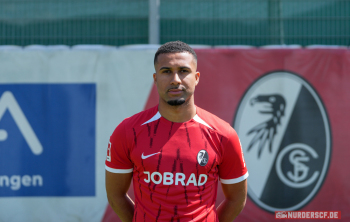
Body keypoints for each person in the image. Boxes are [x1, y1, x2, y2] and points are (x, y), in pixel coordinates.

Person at [105, 41, 248, 222]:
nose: (175, 79)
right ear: (155, 78)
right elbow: (115, 194)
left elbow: (236, 198)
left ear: (196, 77)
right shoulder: (127, 131)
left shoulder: (224, 134)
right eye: (166, 72)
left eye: (183, 71)